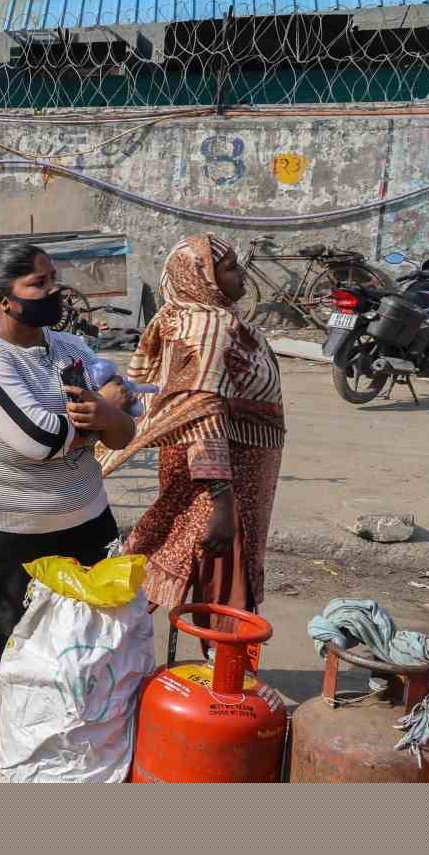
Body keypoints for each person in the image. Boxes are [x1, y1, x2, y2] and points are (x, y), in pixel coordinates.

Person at [0, 243, 138, 646]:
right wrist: (99, 418)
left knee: (88, 647)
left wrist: (108, 418)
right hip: (10, 534)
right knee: (21, 652)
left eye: (54, 280)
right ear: (3, 300)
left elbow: (123, 434)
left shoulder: (71, 347)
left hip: (87, 523)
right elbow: (40, 439)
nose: (54, 291)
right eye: (38, 283)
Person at [99, 235, 285, 631]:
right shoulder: (208, 327)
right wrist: (222, 503)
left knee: (174, 546)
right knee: (223, 575)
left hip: (228, 470)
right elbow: (203, 413)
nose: (241, 274)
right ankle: (224, 676)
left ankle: (109, 641)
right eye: (230, 266)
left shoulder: (187, 315)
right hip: (224, 475)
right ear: (202, 276)